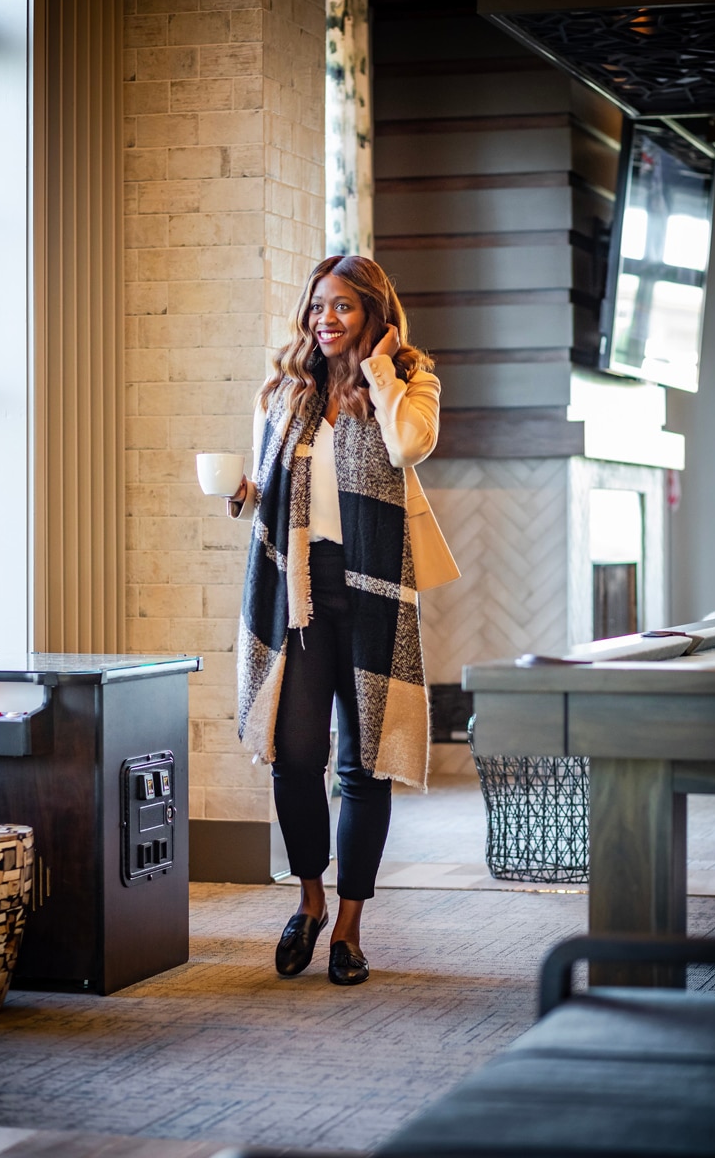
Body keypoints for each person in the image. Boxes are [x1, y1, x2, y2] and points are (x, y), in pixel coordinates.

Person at [225, 255, 459, 986]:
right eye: (317, 306)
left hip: (373, 588)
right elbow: (269, 493)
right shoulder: (286, 392)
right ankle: (310, 900)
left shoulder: (412, 381)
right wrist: (241, 495)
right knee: (297, 757)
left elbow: (409, 445)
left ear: (373, 316)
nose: (325, 319)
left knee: (362, 765)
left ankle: (352, 928)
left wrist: (383, 371)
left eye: (343, 308)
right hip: (298, 590)